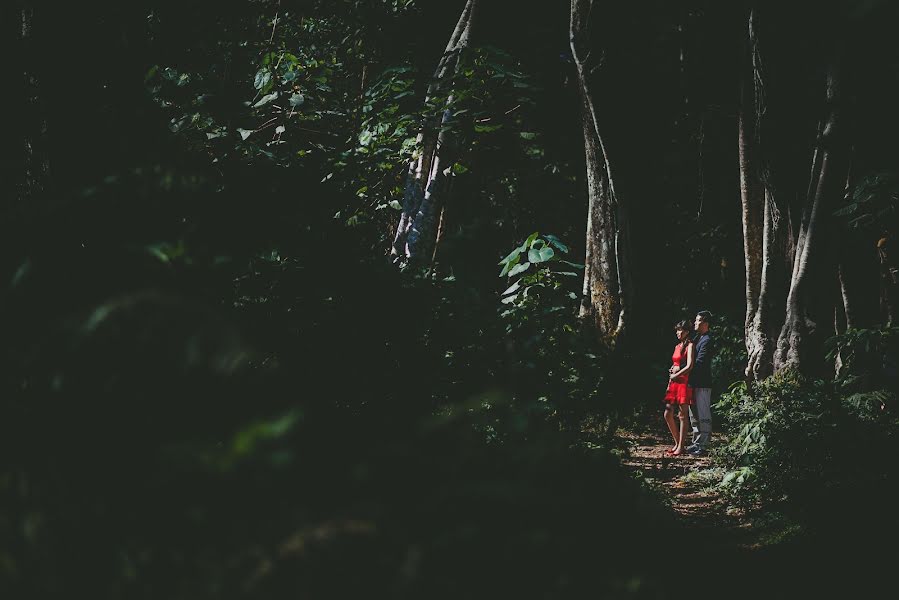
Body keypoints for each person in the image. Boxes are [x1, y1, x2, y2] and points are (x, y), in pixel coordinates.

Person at [663, 320, 694, 456]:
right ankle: (677, 443)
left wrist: (677, 375)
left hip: (683, 382)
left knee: (682, 415)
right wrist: (672, 375)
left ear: (686, 332)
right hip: (674, 382)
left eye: (680, 330)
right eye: (677, 330)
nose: (677, 332)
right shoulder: (677, 346)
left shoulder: (690, 345)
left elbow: (689, 366)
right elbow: (675, 362)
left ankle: (681, 446)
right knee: (668, 413)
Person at [687, 310, 715, 455]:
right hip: (693, 382)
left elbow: (700, 362)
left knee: (703, 413)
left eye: (698, 320)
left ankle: (704, 445)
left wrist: (685, 370)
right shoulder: (697, 338)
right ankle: (696, 441)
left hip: (703, 383)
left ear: (705, 323)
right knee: (694, 415)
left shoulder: (707, 339)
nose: (695, 323)